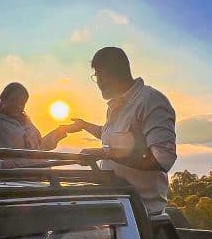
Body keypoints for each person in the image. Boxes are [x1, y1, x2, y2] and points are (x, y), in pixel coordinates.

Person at [69, 47, 177, 214]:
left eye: (98, 75)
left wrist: (104, 153)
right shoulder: (115, 105)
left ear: (109, 73)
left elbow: (160, 160)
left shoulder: (151, 101)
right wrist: (84, 125)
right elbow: (110, 136)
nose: (98, 82)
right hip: (114, 205)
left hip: (140, 213)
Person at [0, 82, 78, 168]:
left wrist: (61, 131)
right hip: (14, 181)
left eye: (22, 103)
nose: (18, 106)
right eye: (14, 100)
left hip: (40, 179)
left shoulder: (27, 124)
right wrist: (0, 164)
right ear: (2, 100)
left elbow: (39, 149)